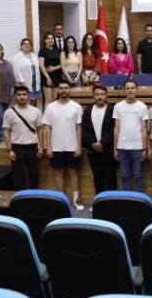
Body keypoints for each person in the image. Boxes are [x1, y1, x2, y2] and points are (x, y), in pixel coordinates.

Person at [43, 81, 84, 210]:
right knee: (58, 173)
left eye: (66, 88)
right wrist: (48, 146)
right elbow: (47, 128)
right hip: (56, 146)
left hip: (72, 146)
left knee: (74, 173)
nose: (64, 90)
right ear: (58, 90)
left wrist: (78, 146)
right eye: (61, 88)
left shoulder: (76, 107)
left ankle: (76, 200)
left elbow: (79, 128)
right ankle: (61, 201)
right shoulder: (50, 107)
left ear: (69, 90)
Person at [3, 86, 44, 191]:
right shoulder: (9, 112)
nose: (22, 97)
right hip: (17, 148)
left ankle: (34, 197)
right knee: (17, 177)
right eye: (19, 95)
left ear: (28, 96)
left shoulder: (36, 111)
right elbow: (6, 132)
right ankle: (19, 199)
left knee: (34, 176)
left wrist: (41, 147)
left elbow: (40, 129)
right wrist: (9, 150)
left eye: (24, 94)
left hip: (32, 147)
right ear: (15, 96)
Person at [113, 80, 149, 192]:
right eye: (128, 88)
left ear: (136, 89)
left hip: (137, 147)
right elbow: (116, 128)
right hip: (122, 147)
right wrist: (115, 148)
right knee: (125, 176)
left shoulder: (142, 107)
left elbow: (144, 129)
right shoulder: (118, 106)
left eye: (132, 88)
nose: (130, 91)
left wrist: (144, 148)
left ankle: (139, 199)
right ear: (124, 90)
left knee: (138, 176)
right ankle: (127, 199)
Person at [82, 86, 117, 196]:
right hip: (93, 150)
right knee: (97, 177)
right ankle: (99, 201)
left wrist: (102, 143)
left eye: (102, 94)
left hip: (109, 149)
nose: (100, 97)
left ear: (106, 95)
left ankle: (112, 200)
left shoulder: (112, 110)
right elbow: (84, 129)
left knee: (110, 176)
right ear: (93, 96)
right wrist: (94, 143)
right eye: (97, 94)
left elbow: (114, 129)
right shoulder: (87, 110)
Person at [12, 38, 42, 104]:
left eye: (29, 44)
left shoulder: (34, 56)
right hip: (24, 83)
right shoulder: (17, 57)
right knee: (25, 103)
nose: (27, 45)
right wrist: (23, 84)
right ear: (21, 46)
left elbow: (38, 69)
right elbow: (17, 72)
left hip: (35, 83)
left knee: (33, 103)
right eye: (25, 44)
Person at [39, 31, 62, 105]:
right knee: (48, 100)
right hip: (47, 77)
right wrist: (47, 77)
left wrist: (54, 68)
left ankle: (53, 113)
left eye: (52, 38)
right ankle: (47, 113)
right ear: (45, 40)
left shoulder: (58, 50)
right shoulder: (42, 51)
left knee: (54, 99)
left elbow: (62, 64)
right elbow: (41, 65)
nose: (50, 40)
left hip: (57, 77)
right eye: (48, 39)